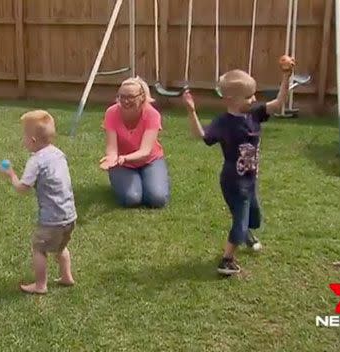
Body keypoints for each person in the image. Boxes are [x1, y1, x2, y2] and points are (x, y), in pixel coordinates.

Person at [184, 56, 296, 275]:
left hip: (250, 179)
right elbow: (202, 135)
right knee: (241, 219)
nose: (254, 99)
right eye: (249, 96)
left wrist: (286, 77)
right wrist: (191, 111)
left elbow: (279, 102)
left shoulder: (254, 116)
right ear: (230, 99)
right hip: (233, 182)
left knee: (254, 217)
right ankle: (226, 260)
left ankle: (246, 234)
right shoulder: (223, 123)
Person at [0, 110, 77, 294]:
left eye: (24, 137)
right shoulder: (59, 154)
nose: (23, 140)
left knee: (39, 248)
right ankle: (67, 276)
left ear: (32, 140)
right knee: (61, 247)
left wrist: (11, 174)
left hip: (51, 219)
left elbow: (23, 188)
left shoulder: (36, 161)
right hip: (69, 214)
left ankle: (40, 285)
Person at [99, 77, 170, 208]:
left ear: (142, 97)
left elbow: (145, 151)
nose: (126, 101)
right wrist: (111, 158)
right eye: (122, 96)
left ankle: (147, 181)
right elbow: (112, 147)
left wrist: (124, 158)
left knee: (157, 199)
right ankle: (130, 183)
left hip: (150, 160)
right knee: (131, 198)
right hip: (122, 164)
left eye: (131, 97)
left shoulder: (152, 114)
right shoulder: (111, 113)